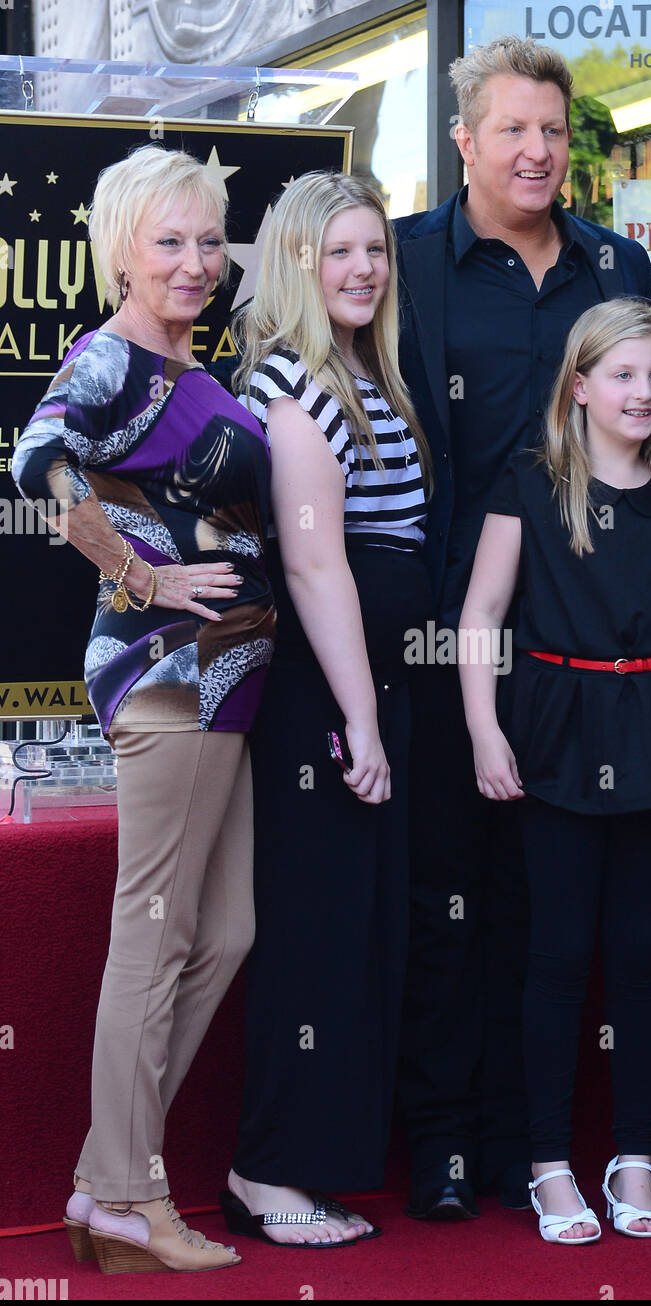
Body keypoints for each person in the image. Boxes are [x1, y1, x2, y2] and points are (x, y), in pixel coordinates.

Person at [393, 33, 651, 1219]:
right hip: (446, 639)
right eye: (513, 129)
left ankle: (528, 1145)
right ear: (464, 141)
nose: (538, 150)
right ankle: (445, 1144)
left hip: (587, 655)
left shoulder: (618, 266)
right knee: (446, 894)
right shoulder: (406, 266)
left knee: (540, 911)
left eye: (552, 130)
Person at [11, 145, 276, 1272]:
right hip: (169, 674)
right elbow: (37, 460)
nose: (196, 261)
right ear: (120, 249)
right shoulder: (112, 358)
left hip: (227, 686)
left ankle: (108, 1175)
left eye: (210, 240)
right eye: (169, 240)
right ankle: (126, 1192)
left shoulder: (194, 366)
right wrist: (144, 576)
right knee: (153, 937)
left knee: (222, 932)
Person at [458, 298, 651, 1243]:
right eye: (622, 375)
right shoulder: (532, 482)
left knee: (645, 958)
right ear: (579, 387)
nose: (643, 392)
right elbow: (480, 617)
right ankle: (547, 1163)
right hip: (558, 731)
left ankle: (635, 1159)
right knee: (556, 957)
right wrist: (484, 733)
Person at [220, 171, 432, 1246]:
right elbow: (313, 567)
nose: (361, 269)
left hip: (373, 685)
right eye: (335, 252)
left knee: (359, 933)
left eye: (375, 251)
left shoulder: (368, 370)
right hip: (324, 697)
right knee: (315, 934)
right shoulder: (293, 382)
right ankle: (269, 1172)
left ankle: (310, 1162)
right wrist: (363, 721)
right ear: (295, 263)